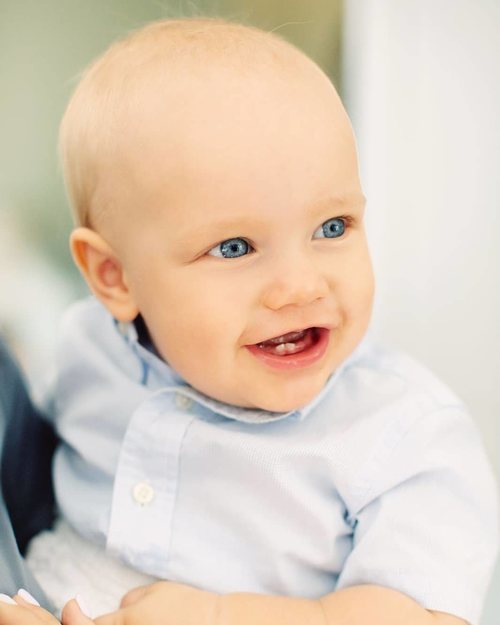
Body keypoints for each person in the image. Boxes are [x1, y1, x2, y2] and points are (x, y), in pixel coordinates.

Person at [0, 16, 497, 625]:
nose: (301, 285)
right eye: (235, 247)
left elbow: (424, 617)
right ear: (115, 277)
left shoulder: (402, 433)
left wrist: (221, 615)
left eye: (332, 227)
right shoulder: (89, 350)